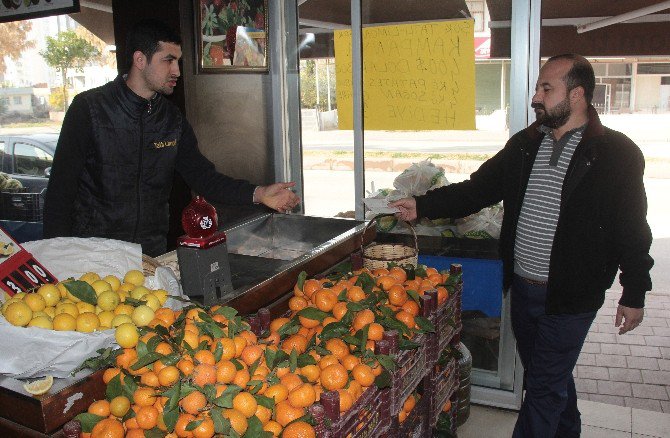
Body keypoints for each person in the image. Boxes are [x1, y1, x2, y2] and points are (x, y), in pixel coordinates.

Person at [390, 54, 653, 437]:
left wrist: (635, 291)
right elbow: (477, 190)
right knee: (548, 376)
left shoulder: (615, 153)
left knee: (543, 389)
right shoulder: (526, 145)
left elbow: (632, 226)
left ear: (577, 94)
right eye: (537, 87)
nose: (536, 96)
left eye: (547, 88)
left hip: (572, 297)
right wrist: (422, 205)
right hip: (524, 290)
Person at [43, 19, 300, 256]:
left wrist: (259, 193)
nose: (176, 70)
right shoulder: (89, 109)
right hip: (92, 254)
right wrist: (57, 258)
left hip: (148, 254)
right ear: (140, 59)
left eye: (178, 61)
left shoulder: (171, 119)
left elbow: (205, 178)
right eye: (168, 60)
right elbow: (59, 193)